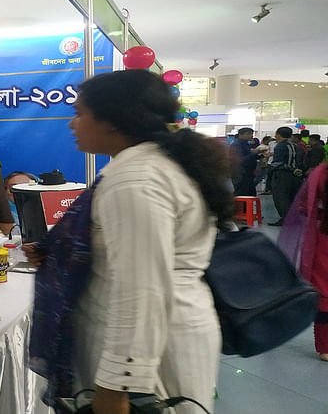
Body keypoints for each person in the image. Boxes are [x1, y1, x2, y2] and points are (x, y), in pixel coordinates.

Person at [25, 70, 232, 414]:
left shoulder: (135, 180)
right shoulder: (150, 165)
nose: (72, 125)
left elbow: (142, 288)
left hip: (148, 352)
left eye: (79, 114)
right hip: (157, 334)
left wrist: (117, 385)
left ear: (113, 121)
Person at [278, 162, 328, 362]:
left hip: (321, 238)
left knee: (323, 290)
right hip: (322, 239)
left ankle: (325, 346)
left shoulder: (320, 174)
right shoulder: (321, 174)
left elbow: (303, 207)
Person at [268, 127, 302, 226]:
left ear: (278, 134)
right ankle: (294, 218)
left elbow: (278, 163)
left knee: (281, 197)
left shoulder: (280, 146)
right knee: (291, 197)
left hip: (282, 174)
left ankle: (285, 219)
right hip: (295, 175)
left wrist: (269, 166)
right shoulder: (295, 146)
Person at [230, 127, 262, 196]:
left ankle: (247, 206)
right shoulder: (237, 145)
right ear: (240, 134)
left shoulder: (246, 144)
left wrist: (261, 155)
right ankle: (239, 207)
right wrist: (254, 153)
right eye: (248, 134)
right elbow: (241, 160)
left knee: (250, 194)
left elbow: (249, 156)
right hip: (241, 173)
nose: (251, 136)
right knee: (242, 193)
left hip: (248, 173)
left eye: (252, 134)